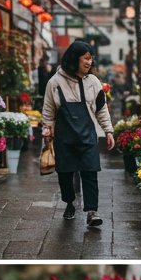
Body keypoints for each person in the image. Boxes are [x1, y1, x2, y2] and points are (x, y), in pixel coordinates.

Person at [42, 41, 115, 227]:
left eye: (91, 58)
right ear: (75, 58)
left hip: (87, 136)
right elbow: (48, 110)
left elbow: (101, 109)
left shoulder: (93, 82)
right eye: (86, 58)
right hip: (64, 138)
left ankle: (92, 212)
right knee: (65, 175)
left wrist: (108, 131)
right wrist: (46, 131)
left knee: (90, 173)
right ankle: (69, 203)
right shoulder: (55, 82)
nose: (90, 62)